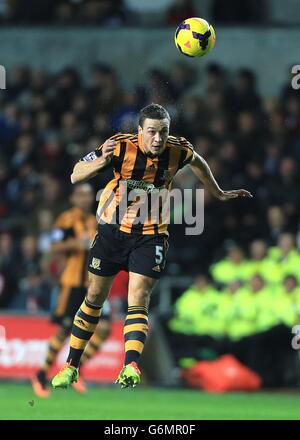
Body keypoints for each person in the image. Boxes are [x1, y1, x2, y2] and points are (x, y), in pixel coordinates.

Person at [51, 103, 252, 389]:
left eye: (163, 132)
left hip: (151, 234)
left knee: (140, 296)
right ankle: (71, 365)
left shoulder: (177, 149)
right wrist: (101, 162)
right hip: (112, 231)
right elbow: (75, 175)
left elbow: (198, 161)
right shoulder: (118, 147)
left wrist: (216, 192)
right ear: (140, 131)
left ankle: (130, 365)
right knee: (95, 297)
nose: (158, 139)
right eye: (152, 132)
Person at [32, 183, 111, 397]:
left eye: (87, 195)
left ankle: (74, 368)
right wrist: (78, 243)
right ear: (73, 199)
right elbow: (54, 246)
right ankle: (41, 375)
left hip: (93, 284)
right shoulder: (66, 220)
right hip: (72, 283)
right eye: (80, 195)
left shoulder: (95, 220)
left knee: (103, 328)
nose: (85, 199)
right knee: (65, 330)